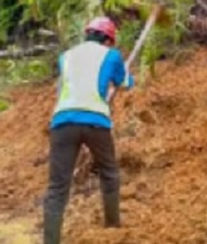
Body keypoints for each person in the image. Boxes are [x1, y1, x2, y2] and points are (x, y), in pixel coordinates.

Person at [43, 16, 135, 244]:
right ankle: (112, 226)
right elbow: (125, 83)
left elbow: (62, 89)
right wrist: (127, 76)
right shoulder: (111, 55)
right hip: (96, 122)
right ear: (107, 39)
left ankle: (50, 240)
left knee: (57, 185)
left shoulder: (66, 56)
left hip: (63, 122)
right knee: (109, 172)